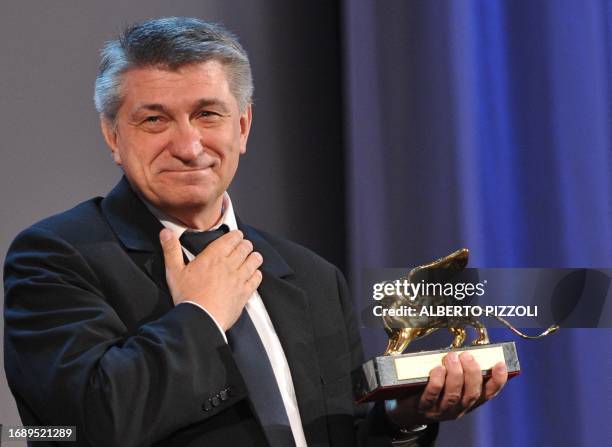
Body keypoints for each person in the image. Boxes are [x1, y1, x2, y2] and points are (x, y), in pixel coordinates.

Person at [3, 17, 507, 447]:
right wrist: (201, 316)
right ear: (113, 136)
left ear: (242, 126)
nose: (188, 144)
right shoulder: (55, 257)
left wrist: (403, 418)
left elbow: (341, 433)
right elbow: (86, 426)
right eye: (155, 120)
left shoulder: (311, 277)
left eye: (208, 114)